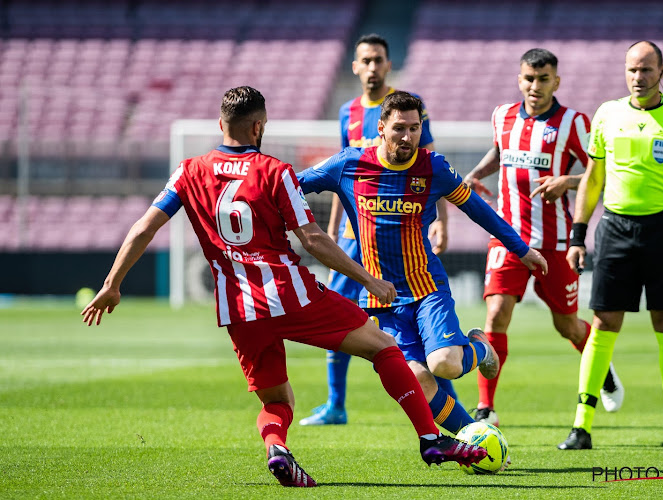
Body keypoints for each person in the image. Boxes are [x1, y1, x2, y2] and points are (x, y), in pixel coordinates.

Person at [80, 86, 487, 488]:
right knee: (384, 347)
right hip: (291, 294)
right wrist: (368, 280)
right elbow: (312, 240)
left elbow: (143, 228)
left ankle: (277, 449)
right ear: (259, 127)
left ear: (221, 123)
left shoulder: (188, 171)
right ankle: (431, 440)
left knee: (277, 402)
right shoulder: (274, 171)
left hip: (238, 308)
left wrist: (112, 284)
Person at [298, 91, 548, 437]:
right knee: (417, 378)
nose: (408, 137)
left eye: (415, 128)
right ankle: (474, 440)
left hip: (427, 288)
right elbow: (292, 185)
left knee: (444, 363)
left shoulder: (433, 167)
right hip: (381, 300)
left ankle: (478, 346)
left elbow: (478, 209)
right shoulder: (348, 164)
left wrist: (520, 249)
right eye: (399, 128)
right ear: (381, 128)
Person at [557, 41, 663, 451]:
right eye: (631, 70)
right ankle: (581, 426)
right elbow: (592, 178)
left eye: (645, 70)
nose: (637, 77)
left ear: (662, 71)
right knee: (605, 323)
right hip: (615, 229)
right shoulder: (607, 114)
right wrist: (578, 235)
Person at [462, 48, 624, 427]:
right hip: (507, 237)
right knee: (496, 314)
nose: (535, 86)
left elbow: (603, 173)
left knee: (566, 325)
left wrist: (565, 181)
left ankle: (602, 368)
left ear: (557, 81)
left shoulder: (573, 123)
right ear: (520, 79)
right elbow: (500, 153)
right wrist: (476, 175)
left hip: (556, 243)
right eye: (528, 79)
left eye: (543, 79)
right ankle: (486, 408)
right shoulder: (502, 115)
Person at [301, 33, 453, 426]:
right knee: (337, 312)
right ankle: (336, 403)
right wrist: (333, 231)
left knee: (417, 340)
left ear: (388, 65)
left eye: (378, 60)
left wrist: (440, 224)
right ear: (355, 66)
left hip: (396, 237)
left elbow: (430, 169)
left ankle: (446, 403)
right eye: (365, 60)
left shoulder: (405, 109)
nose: (371, 67)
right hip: (352, 241)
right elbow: (343, 176)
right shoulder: (346, 112)